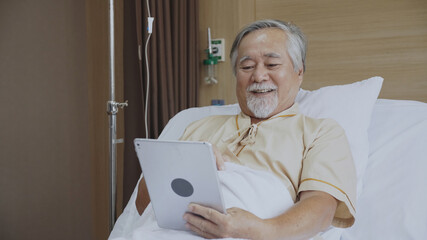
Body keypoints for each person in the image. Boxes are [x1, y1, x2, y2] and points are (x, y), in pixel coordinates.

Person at [137, 19, 356, 240]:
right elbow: (144, 204)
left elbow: (320, 209)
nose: (259, 76)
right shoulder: (198, 128)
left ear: (299, 72)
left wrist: (254, 230)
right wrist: (181, 165)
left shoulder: (320, 133)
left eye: (271, 65)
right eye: (247, 67)